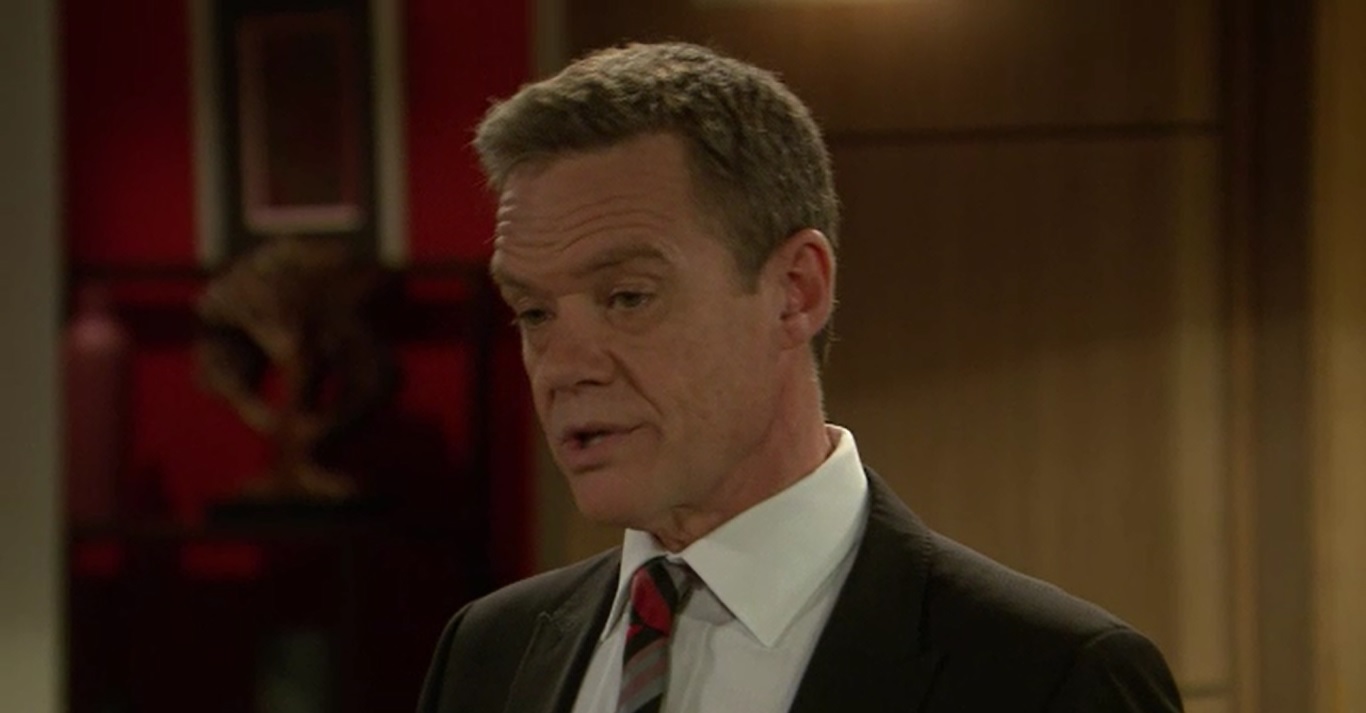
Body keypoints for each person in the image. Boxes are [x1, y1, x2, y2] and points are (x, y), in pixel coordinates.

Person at [417, 42, 1184, 713]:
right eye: (534, 312)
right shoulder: (488, 652)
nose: (563, 368)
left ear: (796, 291)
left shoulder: (1051, 677)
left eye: (627, 297)